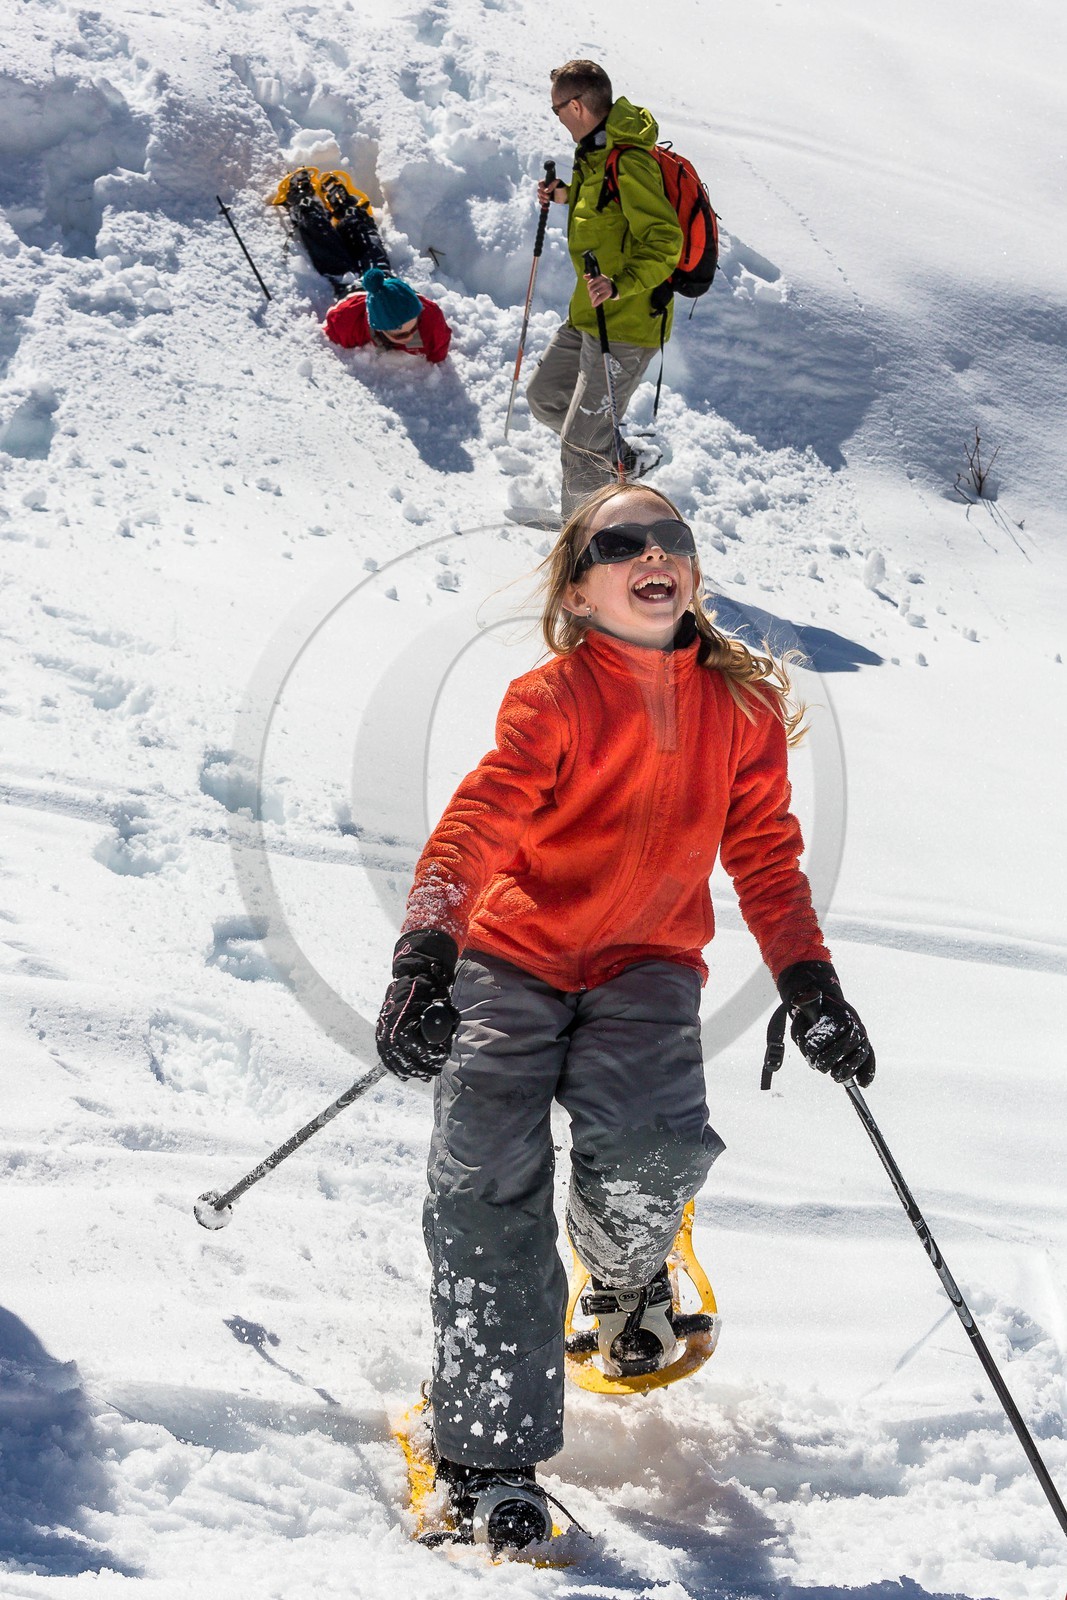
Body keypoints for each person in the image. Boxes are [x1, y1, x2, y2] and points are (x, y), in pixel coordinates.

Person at [375, 482, 875, 1551]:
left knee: (647, 1150)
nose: (656, 552)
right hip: (511, 960)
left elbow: (765, 862)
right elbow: (477, 823)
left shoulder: (737, 713)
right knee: (484, 1181)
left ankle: (628, 1266)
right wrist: (428, 948)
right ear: (578, 584)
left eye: (673, 538)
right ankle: (482, 1448)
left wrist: (808, 981)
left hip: (647, 966)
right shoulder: (550, 697)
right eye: (623, 541)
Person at [526, 61, 684, 518]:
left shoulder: (629, 158)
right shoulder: (597, 151)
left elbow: (664, 241)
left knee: (579, 444)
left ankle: (582, 549)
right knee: (545, 397)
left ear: (576, 105)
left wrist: (621, 285)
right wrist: (564, 194)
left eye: (557, 108)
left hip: (626, 324)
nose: (556, 116)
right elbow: (605, 202)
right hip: (589, 313)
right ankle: (619, 460)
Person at [323, 267, 452, 363]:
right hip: (355, 292)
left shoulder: (430, 320)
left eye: (414, 327)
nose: (410, 335)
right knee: (336, 266)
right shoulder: (350, 321)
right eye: (400, 334)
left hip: (388, 284)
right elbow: (334, 325)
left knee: (374, 255)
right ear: (379, 328)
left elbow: (439, 350)